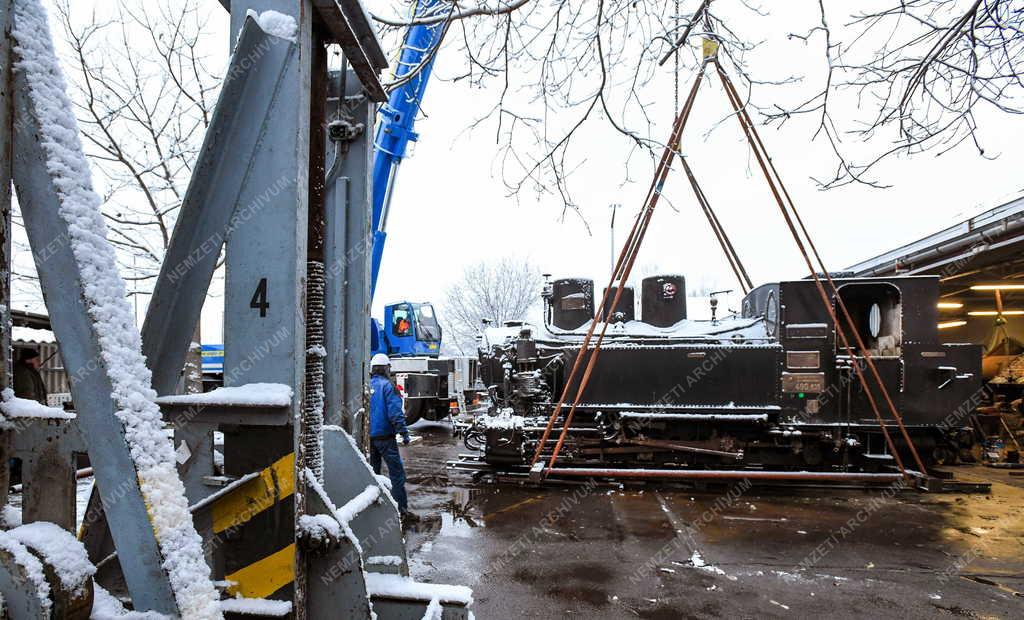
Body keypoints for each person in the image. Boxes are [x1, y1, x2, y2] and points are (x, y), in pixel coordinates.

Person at [368, 353, 418, 523]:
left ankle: (374, 512)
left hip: (369, 438)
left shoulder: (365, 385)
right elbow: (395, 414)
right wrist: (404, 434)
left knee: (372, 475)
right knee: (397, 475)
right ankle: (401, 512)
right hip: (386, 439)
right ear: (386, 368)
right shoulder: (389, 387)